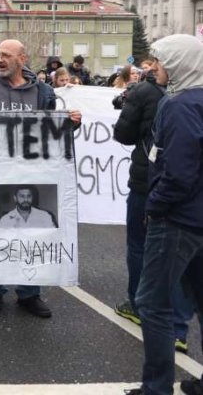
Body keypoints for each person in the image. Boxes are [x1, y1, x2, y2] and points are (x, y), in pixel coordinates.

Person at [0, 38, 81, 319]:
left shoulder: (44, 91)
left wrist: (72, 123)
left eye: (6, 55)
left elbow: (54, 132)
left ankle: (29, 293)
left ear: (22, 60)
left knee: (31, 233)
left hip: (30, 173)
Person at [127, 34, 203, 395]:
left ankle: (156, 388)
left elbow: (178, 173)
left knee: (152, 304)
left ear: (180, 64)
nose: (154, 67)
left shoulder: (179, 106)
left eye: (160, 61)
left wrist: (154, 207)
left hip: (177, 220)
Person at [112, 52, 194, 352]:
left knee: (141, 247)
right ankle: (179, 326)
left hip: (153, 185)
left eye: (159, 62)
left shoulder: (158, 97)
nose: (154, 67)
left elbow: (123, 133)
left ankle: (138, 304)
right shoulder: (192, 98)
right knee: (183, 262)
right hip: (188, 196)